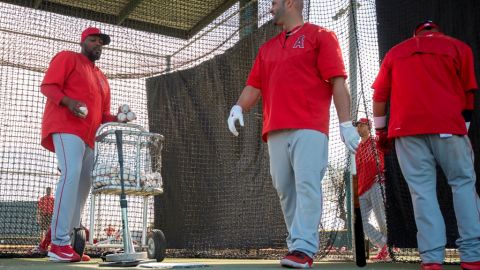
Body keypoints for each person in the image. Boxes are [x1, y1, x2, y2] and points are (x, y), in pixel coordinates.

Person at [227, 0, 359, 268]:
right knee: (285, 189)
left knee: (307, 184)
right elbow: (254, 84)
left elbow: (337, 81)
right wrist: (238, 107)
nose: (271, 8)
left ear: (290, 3)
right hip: (275, 129)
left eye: (274, 2)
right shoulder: (267, 48)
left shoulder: (321, 36)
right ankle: (297, 244)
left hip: (310, 126)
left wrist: (346, 124)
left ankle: (303, 248)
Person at [372, 20, 480, 270]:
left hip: (406, 131)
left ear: (416, 33)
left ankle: (431, 259)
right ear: (437, 31)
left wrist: (380, 131)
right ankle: (473, 256)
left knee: (422, 192)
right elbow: (469, 96)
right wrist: (463, 131)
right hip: (449, 127)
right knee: (463, 185)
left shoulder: (396, 52)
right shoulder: (459, 47)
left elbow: (379, 96)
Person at [39, 27, 131, 262]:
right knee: (71, 175)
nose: (97, 44)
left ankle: (65, 240)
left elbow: (102, 115)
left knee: (82, 187)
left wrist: (118, 117)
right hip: (66, 127)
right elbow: (48, 86)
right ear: (83, 42)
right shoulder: (68, 58)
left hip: (90, 138)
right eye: (93, 40)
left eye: (101, 42)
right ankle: (58, 244)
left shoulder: (102, 77)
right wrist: (69, 102)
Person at [354, 118, 389, 261]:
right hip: (362, 188)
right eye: (358, 125)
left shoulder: (375, 142)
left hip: (376, 183)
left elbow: (387, 154)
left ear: (368, 127)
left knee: (381, 218)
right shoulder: (357, 148)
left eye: (362, 125)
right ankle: (385, 245)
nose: (359, 128)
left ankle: (388, 250)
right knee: (360, 222)